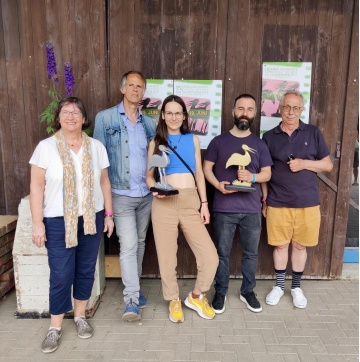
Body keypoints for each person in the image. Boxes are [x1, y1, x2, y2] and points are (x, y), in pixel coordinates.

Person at [30, 97, 114, 353]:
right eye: (66, 112)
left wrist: (108, 214)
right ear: (58, 117)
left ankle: (80, 316)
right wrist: (37, 223)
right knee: (61, 274)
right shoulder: (45, 147)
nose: (71, 116)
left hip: (91, 217)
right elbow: (36, 186)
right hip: (57, 220)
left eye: (76, 112)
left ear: (84, 119)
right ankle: (54, 327)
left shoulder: (96, 147)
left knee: (86, 270)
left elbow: (104, 183)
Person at [146, 95, 219, 323]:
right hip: (164, 203)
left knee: (210, 256)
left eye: (178, 113)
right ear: (163, 115)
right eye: (169, 112)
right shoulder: (155, 142)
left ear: (184, 116)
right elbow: (149, 176)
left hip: (190, 202)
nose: (174, 117)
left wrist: (204, 204)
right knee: (167, 258)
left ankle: (196, 296)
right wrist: (154, 189)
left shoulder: (192, 139)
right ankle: (173, 299)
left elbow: (199, 173)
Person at [93, 71, 156, 322]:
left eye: (140, 86)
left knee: (139, 243)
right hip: (120, 194)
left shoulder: (148, 124)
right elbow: (98, 158)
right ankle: (131, 300)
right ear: (123, 89)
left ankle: (135, 288)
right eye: (131, 85)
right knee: (128, 246)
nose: (135, 90)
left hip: (145, 194)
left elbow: (155, 159)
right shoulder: (105, 118)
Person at [262, 90, 333, 309]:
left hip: (307, 202)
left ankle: (295, 287)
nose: (291, 112)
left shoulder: (313, 133)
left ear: (302, 110)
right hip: (277, 201)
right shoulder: (269, 136)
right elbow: (264, 170)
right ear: (280, 108)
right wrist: (265, 200)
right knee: (280, 246)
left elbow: (328, 165)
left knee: (300, 246)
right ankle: (279, 286)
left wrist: (304, 164)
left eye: (296, 108)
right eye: (287, 107)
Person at [203, 94, 273, 314]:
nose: (245, 113)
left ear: (254, 114)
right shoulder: (219, 141)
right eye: (241, 108)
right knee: (221, 253)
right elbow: (206, 168)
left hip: (251, 210)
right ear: (233, 112)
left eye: (250, 109)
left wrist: (251, 179)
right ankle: (221, 292)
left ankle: (247, 291)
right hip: (224, 208)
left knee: (251, 253)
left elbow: (267, 174)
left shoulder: (259, 144)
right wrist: (218, 185)